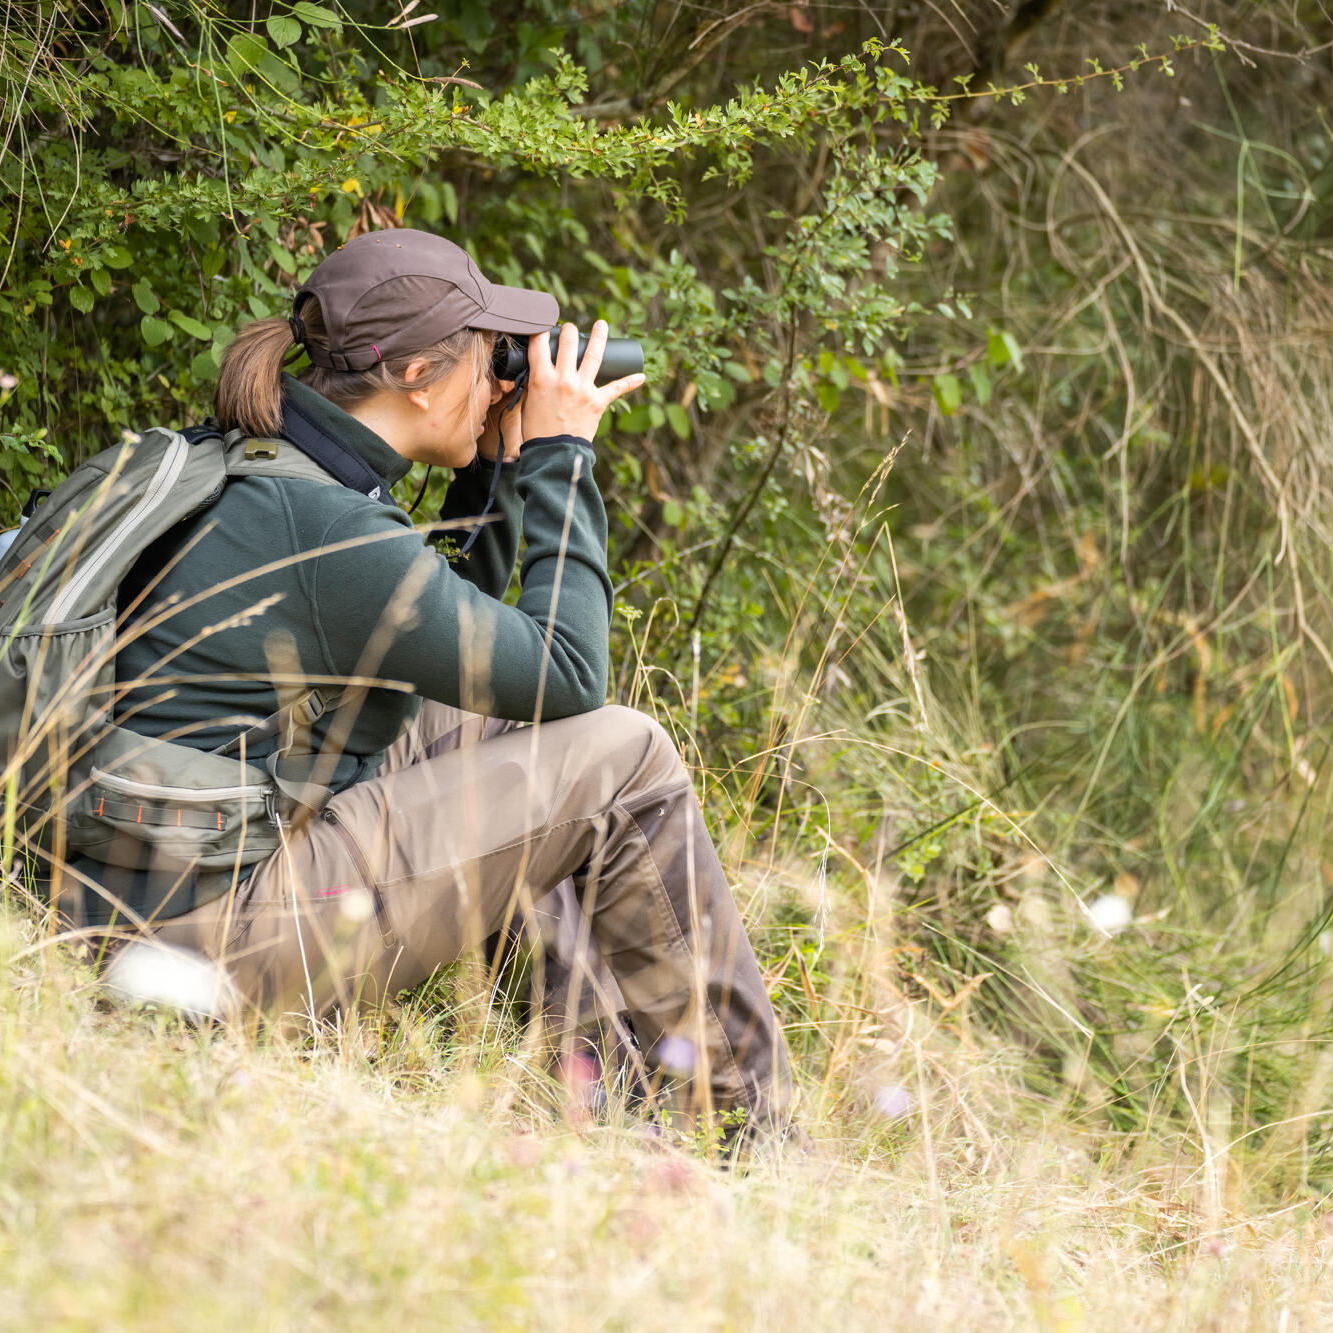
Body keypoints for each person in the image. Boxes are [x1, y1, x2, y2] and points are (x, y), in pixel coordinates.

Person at [65, 229, 793, 1138]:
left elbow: (479, 663)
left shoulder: (267, 475)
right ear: (416, 371)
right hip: (199, 951)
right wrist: (561, 458)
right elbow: (568, 674)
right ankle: (741, 1124)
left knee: (497, 729)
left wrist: (493, 462)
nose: (500, 378)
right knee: (625, 754)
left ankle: (597, 1087)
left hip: (126, 901)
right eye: (490, 356)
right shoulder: (330, 531)